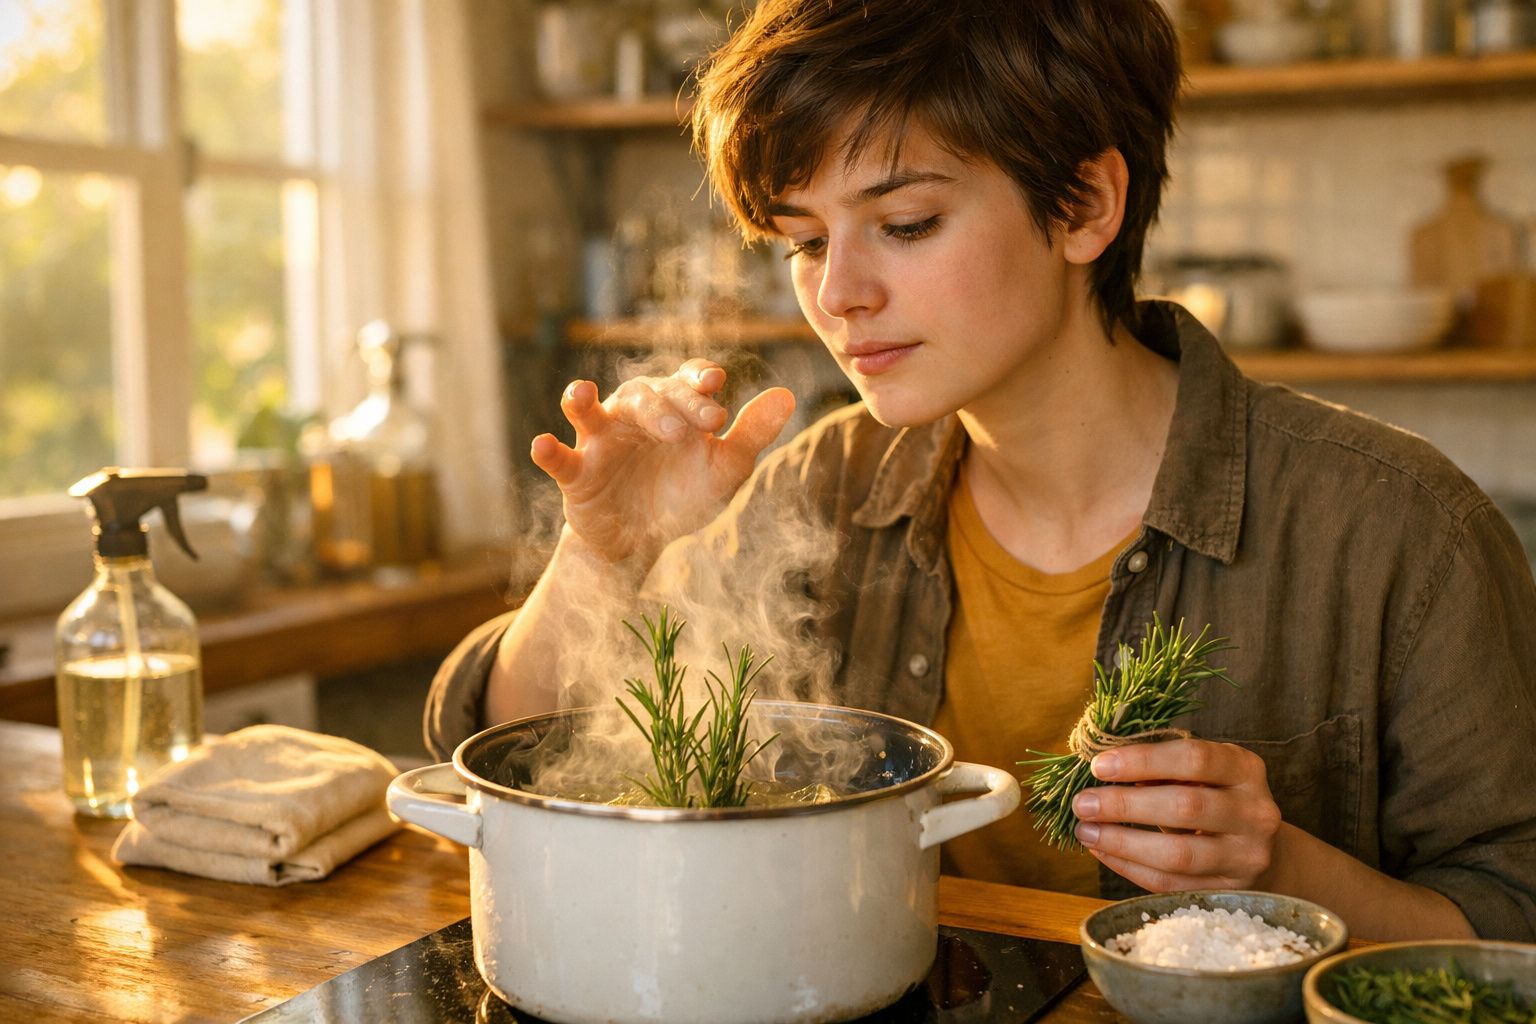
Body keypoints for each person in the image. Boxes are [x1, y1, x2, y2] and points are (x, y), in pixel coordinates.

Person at [426, 0, 1536, 941]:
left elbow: (1515, 921)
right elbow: (521, 753)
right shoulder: (821, 488)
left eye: (905, 223)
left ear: (1085, 205)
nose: (838, 294)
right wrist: (602, 553)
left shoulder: (1397, 527)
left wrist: (1281, 865)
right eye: (806, 241)